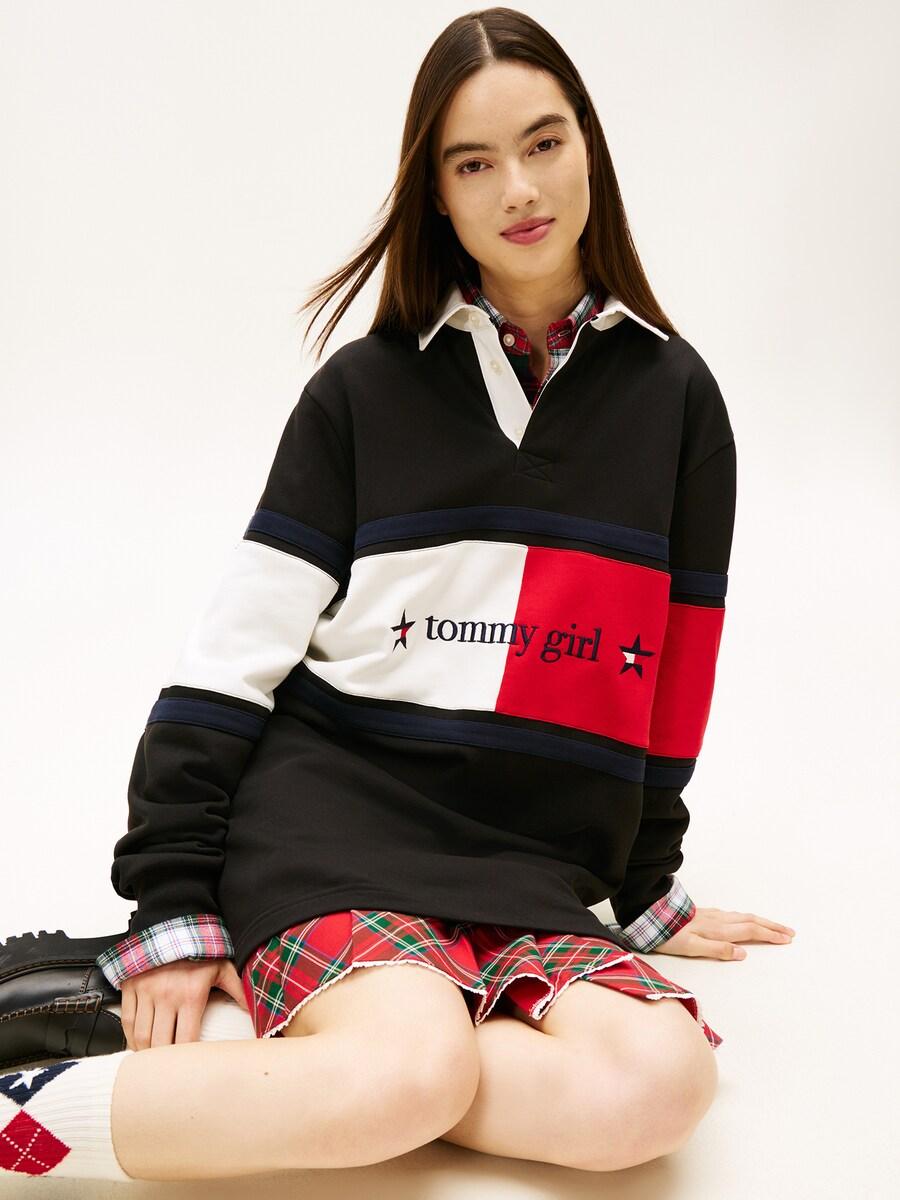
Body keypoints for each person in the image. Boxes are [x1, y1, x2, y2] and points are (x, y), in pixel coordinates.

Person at [0, 6, 795, 1184]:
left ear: (590, 145)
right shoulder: (363, 396)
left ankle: (268, 1049)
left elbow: (672, 677)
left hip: (527, 867)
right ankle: (44, 1117)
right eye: (474, 164)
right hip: (333, 825)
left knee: (657, 1087)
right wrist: (174, 900)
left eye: (545, 143)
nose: (519, 189)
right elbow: (230, 663)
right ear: (436, 194)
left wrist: (645, 888)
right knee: (411, 1069)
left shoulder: (678, 402)